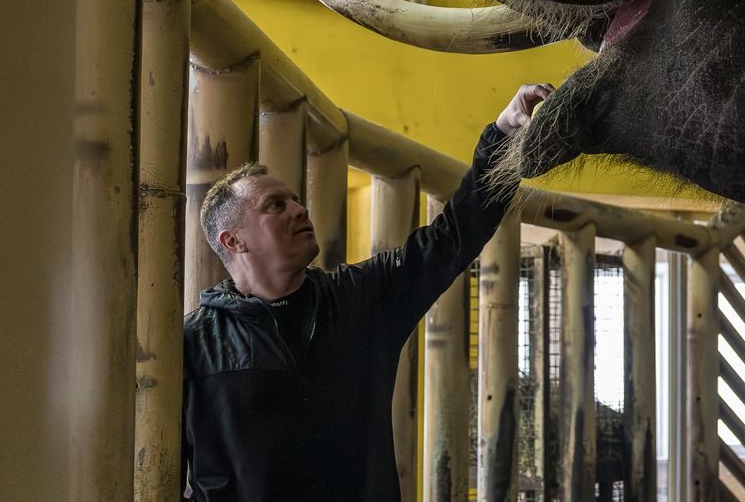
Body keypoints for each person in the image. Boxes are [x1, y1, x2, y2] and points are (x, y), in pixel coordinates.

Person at [181, 83, 552, 501]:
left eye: (296, 200)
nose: (299, 209)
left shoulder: (362, 299)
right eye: (275, 206)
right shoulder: (194, 343)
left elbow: (453, 237)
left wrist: (501, 136)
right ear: (234, 241)